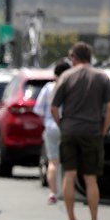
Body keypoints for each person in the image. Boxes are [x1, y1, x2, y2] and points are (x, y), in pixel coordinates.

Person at [50, 42, 110, 220]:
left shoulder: (66, 76)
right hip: (92, 132)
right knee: (90, 178)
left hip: (70, 130)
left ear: (74, 57)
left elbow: (54, 108)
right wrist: (103, 130)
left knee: (69, 175)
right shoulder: (102, 78)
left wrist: (63, 125)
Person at [33, 60, 72, 204]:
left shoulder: (49, 88)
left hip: (50, 126)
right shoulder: (71, 89)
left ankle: (52, 193)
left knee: (53, 162)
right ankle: (67, 191)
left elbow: (38, 109)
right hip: (68, 127)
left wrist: (47, 119)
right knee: (69, 162)